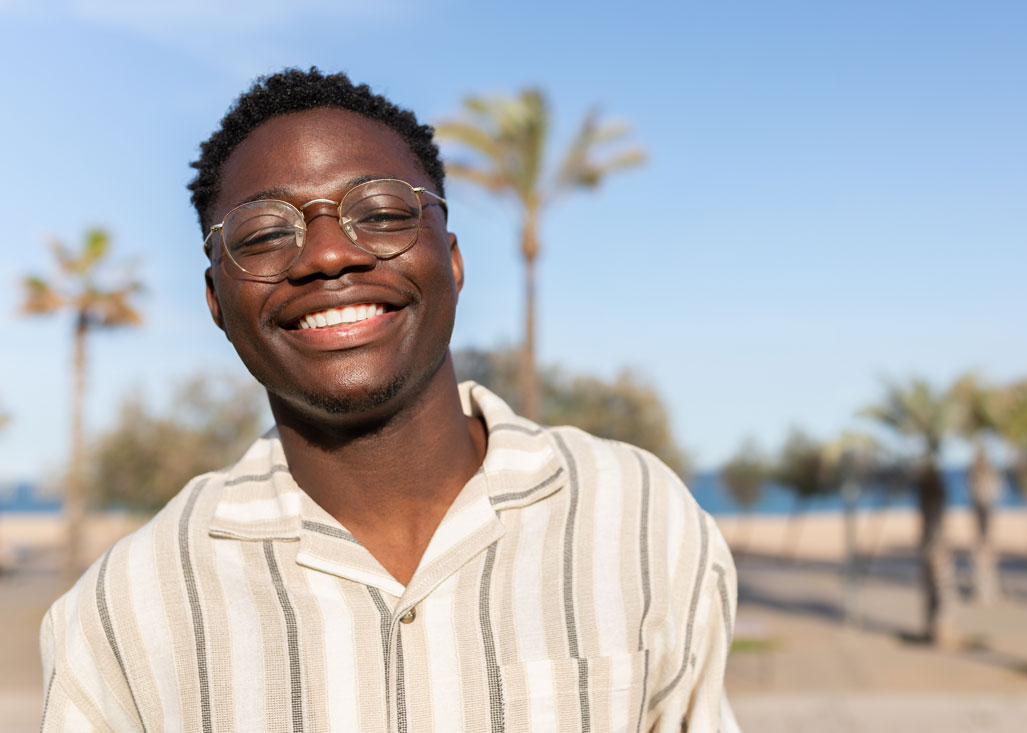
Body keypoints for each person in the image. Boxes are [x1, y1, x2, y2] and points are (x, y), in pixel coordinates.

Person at [39, 67, 739, 732]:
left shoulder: (641, 519)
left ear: (454, 261)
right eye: (262, 234)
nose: (326, 254)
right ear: (218, 301)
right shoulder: (127, 610)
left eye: (378, 213)